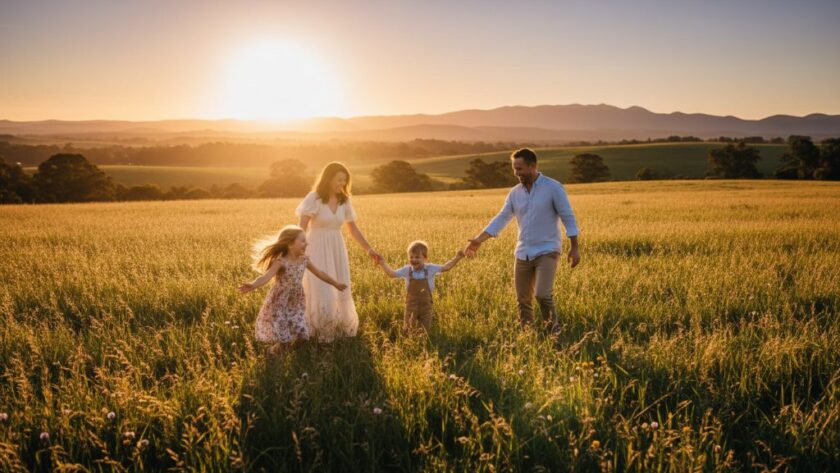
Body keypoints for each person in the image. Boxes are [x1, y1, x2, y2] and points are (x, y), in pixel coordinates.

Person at [465, 148, 580, 333]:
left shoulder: (553, 187)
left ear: (532, 166)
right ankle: (527, 335)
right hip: (523, 252)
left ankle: (554, 332)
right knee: (523, 300)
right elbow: (501, 218)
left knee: (542, 295)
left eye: (519, 169)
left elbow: (568, 217)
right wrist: (479, 239)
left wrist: (574, 247)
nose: (516, 173)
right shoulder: (514, 193)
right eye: (514, 169)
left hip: (548, 250)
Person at [296, 162, 380, 342]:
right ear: (328, 178)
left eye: (344, 180)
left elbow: (353, 229)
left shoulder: (345, 200)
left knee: (339, 285)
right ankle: (317, 331)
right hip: (315, 246)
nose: (341, 183)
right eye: (338, 179)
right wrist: (298, 250)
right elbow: (301, 226)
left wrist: (369, 249)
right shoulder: (315, 198)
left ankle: (338, 329)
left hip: (336, 247)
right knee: (320, 287)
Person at [238, 225, 347, 355]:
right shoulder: (280, 262)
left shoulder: (304, 260)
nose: (307, 243)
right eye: (302, 241)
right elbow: (266, 277)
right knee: (285, 340)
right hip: (279, 302)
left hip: (296, 302)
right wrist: (253, 284)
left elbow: (320, 273)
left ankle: (285, 352)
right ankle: (272, 352)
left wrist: (335, 283)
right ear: (290, 244)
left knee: (303, 335)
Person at [376, 240, 465, 332]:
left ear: (425, 258)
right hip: (411, 305)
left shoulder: (430, 268)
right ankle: (408, 342)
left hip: (426, 305)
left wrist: (457, 257)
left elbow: (446, 267)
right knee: (407, 329)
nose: (414, 259)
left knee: (425, 331)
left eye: (417, 257)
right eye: (411, 257)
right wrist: (383, 263)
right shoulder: (407, 270)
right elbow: (392, 274)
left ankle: (422, 342)